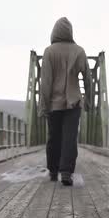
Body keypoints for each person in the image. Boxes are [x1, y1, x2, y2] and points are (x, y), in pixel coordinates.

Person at [38, 17, 93, 186]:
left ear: (54, 32)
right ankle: (66, 171)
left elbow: (45, 82)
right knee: (70, 138)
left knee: (53, 137)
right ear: (70, 32)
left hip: (54, 103)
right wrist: (88, 101)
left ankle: (53, 170)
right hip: (74, 103)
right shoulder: (79, 51)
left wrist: (43, 107)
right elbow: (88, 80)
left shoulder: (49, 52)